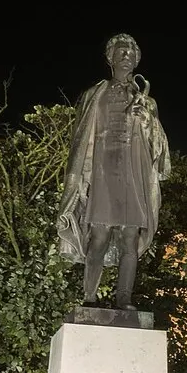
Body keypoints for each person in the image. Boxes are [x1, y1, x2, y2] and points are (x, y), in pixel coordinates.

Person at [58, 33, 171, 308]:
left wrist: (145, 119)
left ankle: (123, 300)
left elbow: (160, 147)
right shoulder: (92, 96)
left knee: (129, 239)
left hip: (133, 171)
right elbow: (80, 141)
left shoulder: (146, 101)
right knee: (99, 236)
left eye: (131, 54)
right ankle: (89, 298)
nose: (126, 57)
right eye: (121, 52)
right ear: (109, 58)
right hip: (102, 170)